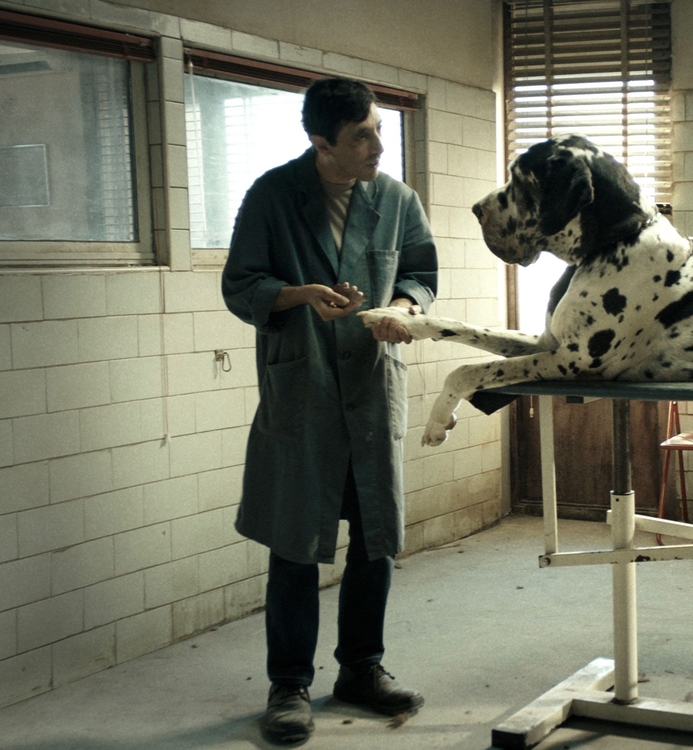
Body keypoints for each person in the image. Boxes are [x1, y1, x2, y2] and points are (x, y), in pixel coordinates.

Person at [222, 76, 437, 745]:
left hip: (372, 388)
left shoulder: (398, 199)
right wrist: (298, 294)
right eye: (361, 136)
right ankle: (288, 684)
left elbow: (422, 270)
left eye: (378, 127)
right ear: (322, 142)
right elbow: (241, 283)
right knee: (296, 543)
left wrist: (403, 308)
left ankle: (360, 671)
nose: (378, 144)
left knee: (375, 539)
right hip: (304, 390)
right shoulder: (272, 195)